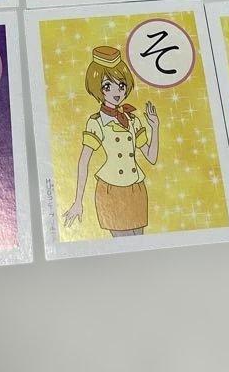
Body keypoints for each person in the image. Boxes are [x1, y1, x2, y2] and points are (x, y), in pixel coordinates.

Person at [62, 46, 160, 237]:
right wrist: (77, 201)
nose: (117, 92)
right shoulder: (97, 122)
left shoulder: (133, 120)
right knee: (123, 246)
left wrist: (155, 127)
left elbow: (151, 157)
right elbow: (83, 162)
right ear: (97, 88)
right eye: (108, 86)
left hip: (136, 189)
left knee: (140, 244)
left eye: (121, 85)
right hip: (110, 190)